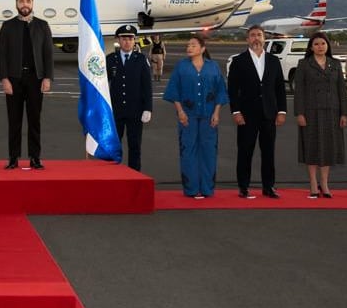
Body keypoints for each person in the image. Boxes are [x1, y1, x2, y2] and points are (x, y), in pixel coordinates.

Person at [163, 35, 229, 198]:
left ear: (202, 48)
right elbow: (174, 90)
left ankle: (207, 188)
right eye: (188, 45)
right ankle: (191, 188)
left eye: (193, 45)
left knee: (208, 151)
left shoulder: (213, 67)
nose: (189, 48)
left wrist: (216, 113)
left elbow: (220, 91)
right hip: (188, 116)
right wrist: (180, 111)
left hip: (209, 116)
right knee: (188, 151)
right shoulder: (181, 66)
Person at [227, 25, 288, 198]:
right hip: (246, 114)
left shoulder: (273, 61)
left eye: (259, 35)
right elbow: (232, 89)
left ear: (264, 39)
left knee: (268, 152)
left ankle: (268, 186)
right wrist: (236, 111)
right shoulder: (238, 61)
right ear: (247, 39)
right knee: (245, 151)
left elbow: (279, 88)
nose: (256, 38)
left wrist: (282, 111)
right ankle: (243, 187)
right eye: (252, 35)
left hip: (269, 114)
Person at [0, 0, 54, 170]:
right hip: (14, 80)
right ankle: (13, 158)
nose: (25, 4)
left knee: (34, 120)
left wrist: (47, 77)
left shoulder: (42, 26)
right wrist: (4, 79)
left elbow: (48, 54)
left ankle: (35, 157)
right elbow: (2, 56)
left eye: (28, 1)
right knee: (14, 121)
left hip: (36, 80)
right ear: (16, 4)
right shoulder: (7, 26)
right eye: (21, 1)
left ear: (32, 3)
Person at [293, 32, 347, 198]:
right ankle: (313, 183)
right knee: (312, 147)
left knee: (328, 148)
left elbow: (341, 90)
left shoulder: (335, 64)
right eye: (316, 44)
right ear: (311, 47)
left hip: (332, 111)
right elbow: (299, 91)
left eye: (323, 43)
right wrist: (299, 113)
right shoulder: (304, 64)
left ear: (328, 46)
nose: (320, 47)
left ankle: (324, 183)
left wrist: (344, 113)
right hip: (310, 112)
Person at [106, 24, 153, 170]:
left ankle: (134, 176)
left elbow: (147, 86)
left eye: (130, 39)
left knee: (135, 146)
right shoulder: (110, 59)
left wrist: (148, 108)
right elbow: (102, 84)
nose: (127, 42)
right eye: (124, 39)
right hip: (116, 110)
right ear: (118, 40)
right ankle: (114, 175)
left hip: (135, 110)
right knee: (113, 146)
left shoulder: (141, 59)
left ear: (134, 41)